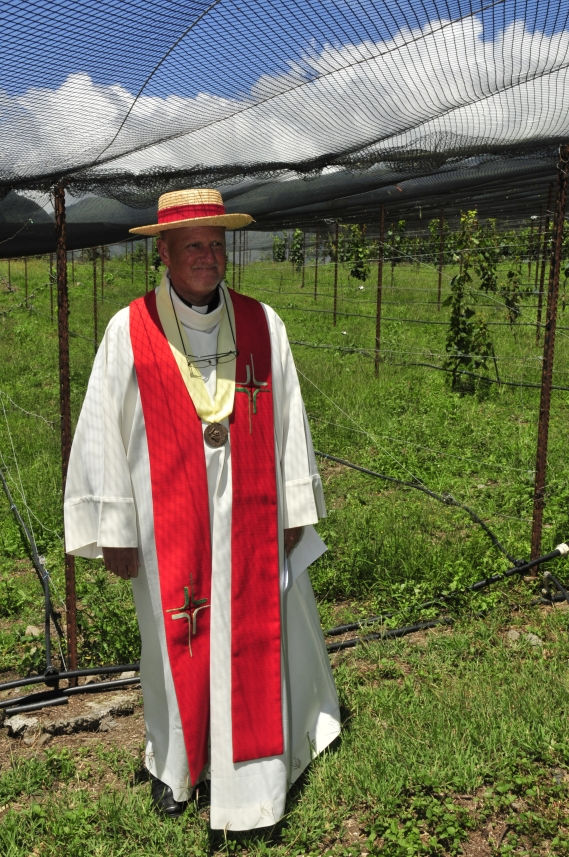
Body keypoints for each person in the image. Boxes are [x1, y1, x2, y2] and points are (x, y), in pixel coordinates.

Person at [63, 188, 341, 831]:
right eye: (192, 245)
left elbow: (290, 418)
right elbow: (104, 429)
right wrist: (115, 527)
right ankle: (177, 767)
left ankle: (259, 775)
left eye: (215, 244)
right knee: (172, 642)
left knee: (256, 634)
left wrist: (295, 504)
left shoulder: (263, 323)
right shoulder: (129, 329)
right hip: (167, 518)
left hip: (252, 509)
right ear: (162, 252)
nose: (207, 257)